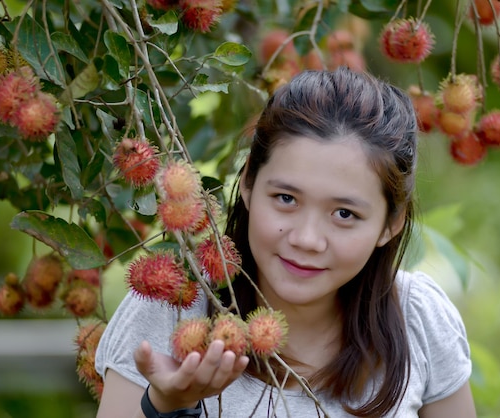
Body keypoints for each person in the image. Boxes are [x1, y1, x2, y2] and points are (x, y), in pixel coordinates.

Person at [95, 67, 476, 417]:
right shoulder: (172, 305)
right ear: (247, 184)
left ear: (389, 225)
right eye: (286, 199)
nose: (307, 240)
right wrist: (166, 406)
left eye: (344, 214)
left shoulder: (418, 319)